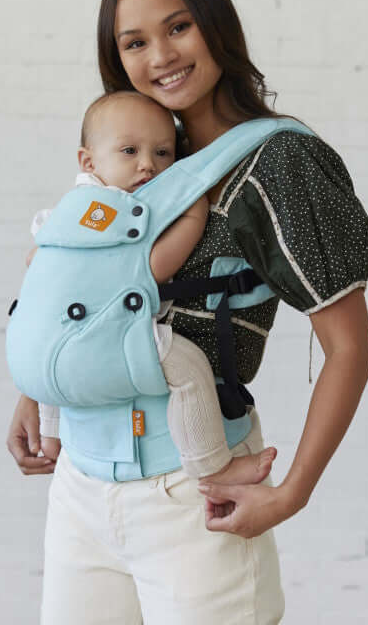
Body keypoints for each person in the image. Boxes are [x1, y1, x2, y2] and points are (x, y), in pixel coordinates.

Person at [6, 0, 368, 624]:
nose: (162, 56)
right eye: (135, 42)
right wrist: (39, 391)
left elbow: (349, 348)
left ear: (215, 25)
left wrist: (291, 493)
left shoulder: (280, 161)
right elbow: (76, 284)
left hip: (194, 494)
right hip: (81, 485)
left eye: (178, 27)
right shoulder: (131, 155)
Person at [27, 88, 278, 487]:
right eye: (130, 151)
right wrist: (194, 214)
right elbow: (153, 271)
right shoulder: (121, 209)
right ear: (88, 161)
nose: (148, 165)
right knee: (189, 369)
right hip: (115, 334)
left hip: (54, 340)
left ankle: (50, 438)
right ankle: (213, 464)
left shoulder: (68, 210)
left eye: (163, 153)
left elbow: (34, 262)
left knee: (51, 356)